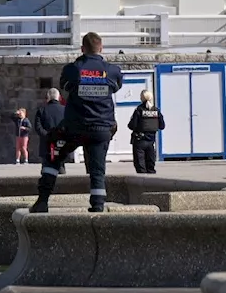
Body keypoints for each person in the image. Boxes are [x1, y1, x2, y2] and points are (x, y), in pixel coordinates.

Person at [30, 32, 121, 213]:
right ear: (101, 48)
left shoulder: (73, 69)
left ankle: (43, 200)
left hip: (75, 127)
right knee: (97, 169)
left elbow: (64, 85)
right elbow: (117, 85)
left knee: (53, 156)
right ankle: (97, 205)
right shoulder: (112, 70)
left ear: (82, 49)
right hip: (102, 127)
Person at [128, 90, 165, 174]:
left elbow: (131, 125)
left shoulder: (139, 110)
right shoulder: (156, 110)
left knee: (140, 165)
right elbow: (162, 126)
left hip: (139, 140)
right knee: (150, 164)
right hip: (151, 140)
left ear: (141, 98)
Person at [34, 88, 66, 174]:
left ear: (48, 97)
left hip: (46, 144)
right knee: (61, 171)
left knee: (46, 173)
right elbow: (69, 126)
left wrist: (48, 136)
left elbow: (38, 127)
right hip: (61, 145)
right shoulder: (65, 110)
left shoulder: (41, 111)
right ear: (59, 97)